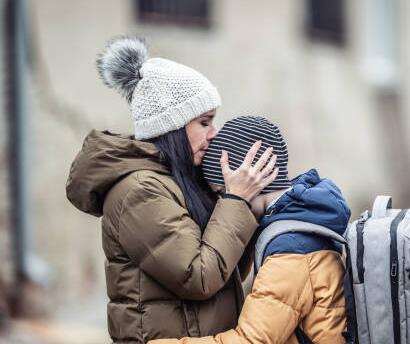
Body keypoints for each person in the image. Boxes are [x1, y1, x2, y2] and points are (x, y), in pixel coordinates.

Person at [66, 37, 278, 344]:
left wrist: (249, 208)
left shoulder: (174, 182)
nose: (213, 134)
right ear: (173, 125)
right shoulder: (139, 191)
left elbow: (226, 271)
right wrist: (234, 201)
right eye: (204, 122)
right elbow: (199, 277)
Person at [149, 116, 350, 344]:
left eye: (220, 193)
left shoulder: (292, 248)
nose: (220, 204)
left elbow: (251, 341)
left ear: (249, 178)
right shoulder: (304, 220)